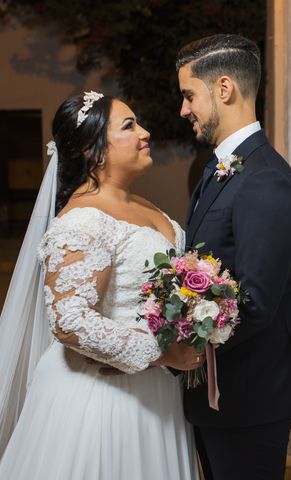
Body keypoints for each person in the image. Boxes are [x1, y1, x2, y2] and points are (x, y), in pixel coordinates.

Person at [0, 92, 201, 479]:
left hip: (153, 394)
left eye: (138, 122)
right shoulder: (82, 221)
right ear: (94, 152)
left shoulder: (143, 204)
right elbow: (70, 321)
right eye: (129, 126)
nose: (145, 132)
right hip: (101, 399)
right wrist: (162, 353)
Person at [177, 34, 291, 479]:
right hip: (220, 398)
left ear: (225, 88)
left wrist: (184, 346)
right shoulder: (220, 170)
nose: (184, 109)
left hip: (250, 398)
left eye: (189, 95)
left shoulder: (264, 178)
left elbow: (253, 302)